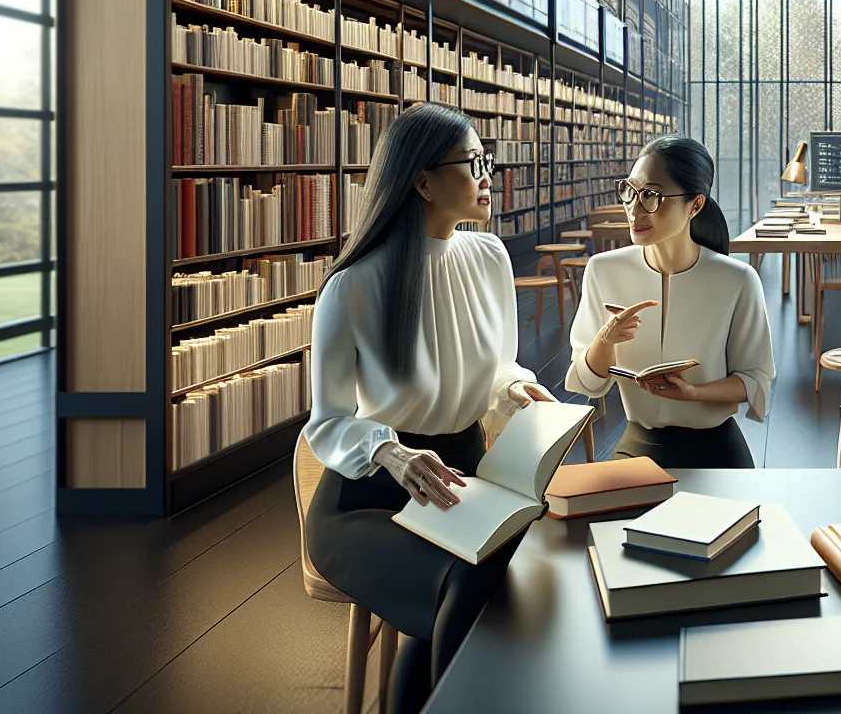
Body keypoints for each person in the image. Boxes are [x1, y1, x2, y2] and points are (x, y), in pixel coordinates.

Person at [303, 103, 559, 714]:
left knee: (507, 576)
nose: (488, 174)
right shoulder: (353, 286)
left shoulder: (489, 257)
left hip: (464, 483)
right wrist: (390, 451)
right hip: (372, 499)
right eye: (472, 163)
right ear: (421, 181)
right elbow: (328, 421)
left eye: (485, 160)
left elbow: (497, 364)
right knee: (471, 579)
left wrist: (512, 389)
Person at [565, 136, 776, 469]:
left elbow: (754, 381)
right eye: (630, 192)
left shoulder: (738, 279)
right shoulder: (604, 270)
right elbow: (587, 382)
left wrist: (694, 393)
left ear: (695, 206)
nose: (634, 209)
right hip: (639, 444)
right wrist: (605, 342)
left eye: (651, 195)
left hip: (718, 449)